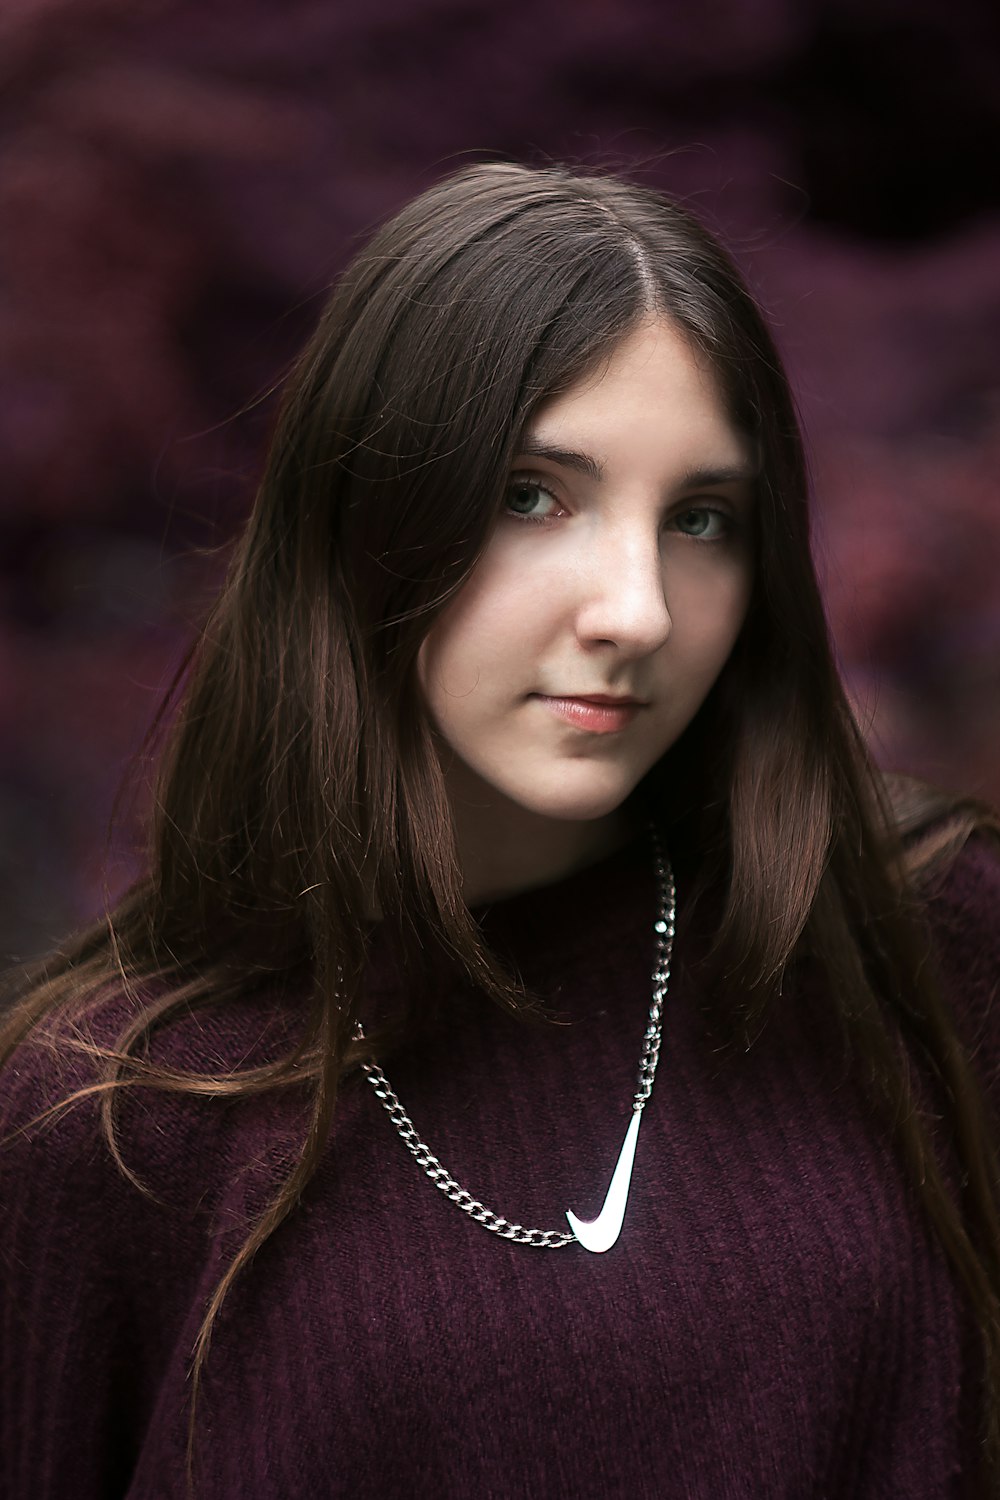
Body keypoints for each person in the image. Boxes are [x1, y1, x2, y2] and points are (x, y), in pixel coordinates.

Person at [1, 161, 998, 1500]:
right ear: (365, 521)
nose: (637, 609)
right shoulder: (113, 1120)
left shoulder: (929, 951)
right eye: (538, 495)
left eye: (703, 519)